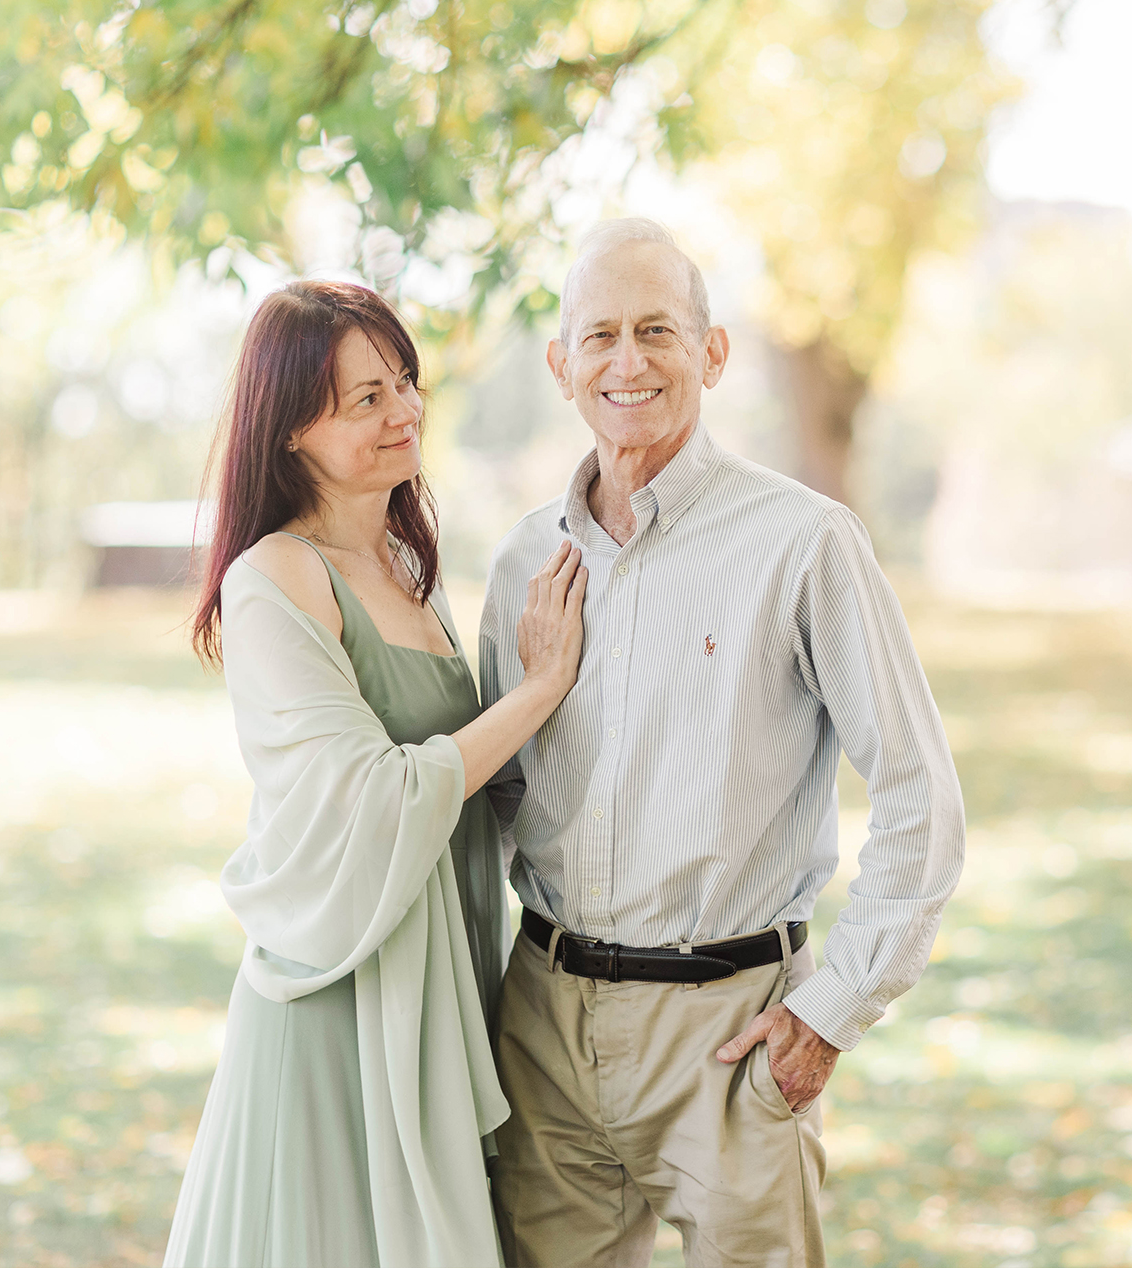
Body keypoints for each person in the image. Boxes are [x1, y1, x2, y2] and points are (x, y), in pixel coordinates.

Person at [478, 218, 966, 1266]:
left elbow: (920, 793)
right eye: (599, 334)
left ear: (712, 351)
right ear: (561, 365)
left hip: (732, 1034)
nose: (627, 359)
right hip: (542, 1023)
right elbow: (496, 792)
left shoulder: (803, 542)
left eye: (657, 328)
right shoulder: (524, 559)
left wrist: (831, 1011)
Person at [166, 280, 587, 1268]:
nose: (403, 410)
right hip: (334, 1000)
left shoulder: (409, 564)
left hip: (436, 988)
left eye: (404, 380)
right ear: (289, 430)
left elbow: (471, 784)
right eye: (365, 398)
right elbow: (378, 795)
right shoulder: (272, 578)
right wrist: (537, 689)